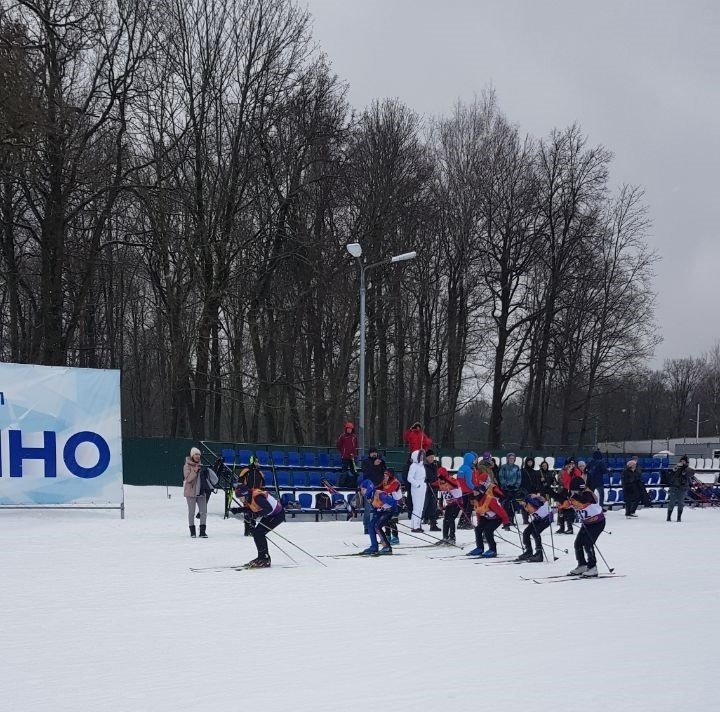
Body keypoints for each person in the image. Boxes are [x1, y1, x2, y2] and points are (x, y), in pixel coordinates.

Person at [231, 484, 285, 567]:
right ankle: (262, 557)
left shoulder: (257, 497)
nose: (240, 500)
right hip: (269, 515)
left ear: (245, 494)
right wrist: (238, 510)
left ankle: (265, 559)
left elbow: (268, 508)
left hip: (277, 515)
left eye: (241, 497)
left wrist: (255, 515)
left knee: (259, 533)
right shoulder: (249, 497)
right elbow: (251, 508)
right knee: (257, 533)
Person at [567, 485, 606, 577]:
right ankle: (582, 565)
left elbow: (589, 498)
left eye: (575, 503)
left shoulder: (588, 498)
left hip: (598, 523)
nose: (574, 505)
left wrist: (584, 490)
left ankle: (592, 567)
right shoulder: (575, 500)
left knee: (588, 543)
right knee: (578, 543)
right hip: (587, 523)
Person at [466, 482, 510, 558]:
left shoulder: (490, 500)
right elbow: (478, 512)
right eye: (474, 492)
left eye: (476, 492)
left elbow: (502, 512)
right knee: (478, 529)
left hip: (496, 518)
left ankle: (493, 550)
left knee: (488, 531)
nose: (474, 494)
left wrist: (506, 523)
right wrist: (479, 523)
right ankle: (480, 548)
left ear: (481, 493)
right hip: (486, 517)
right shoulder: (476, 500)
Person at [358, 479, 395, 555]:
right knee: (371, 525)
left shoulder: (380, 494)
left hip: (389, 512)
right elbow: (375, 508)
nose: (361, 491)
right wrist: (376, 515)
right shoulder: (369, 497)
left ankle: (387, 547)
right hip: (380, 512)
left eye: (363, 489)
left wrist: (394, 516)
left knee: (377, 526)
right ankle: (374, 546)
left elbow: (393, 502)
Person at [517, 493, 552, 562]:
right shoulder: (525, 503)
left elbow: (538, 504)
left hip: (547, 517)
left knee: (535, 532)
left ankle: (539, 554)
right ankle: (528, 551)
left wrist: (537, 497)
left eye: (520, 501)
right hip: (538, 518)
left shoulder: (530, 499)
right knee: (526, 532)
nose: (520, 503)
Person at [183, 447, 208, 538]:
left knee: (203, 512)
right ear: (192, 455)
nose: (197, 456)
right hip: (191, 493)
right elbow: (188, 479)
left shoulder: (202, 465)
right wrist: (195, 470)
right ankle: (192, 531)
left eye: (199, 454)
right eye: (196, 454)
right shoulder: (187, 466)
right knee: (192, 512)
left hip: (201, 492)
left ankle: (202, 531)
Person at [361, 447, 386, 534]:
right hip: (368, 487)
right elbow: (365, 472)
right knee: (368, 508)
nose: (374, 454)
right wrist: (374, 465)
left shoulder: (381, 462)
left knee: (378, 508)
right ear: (369, 454)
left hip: (379, 487)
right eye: (372, 452)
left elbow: (384, 473)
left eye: (375, 452)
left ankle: (376, 526)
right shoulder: (366, 462)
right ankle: (366, 527)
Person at [437, 468, 463, 545]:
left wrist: (447, 480)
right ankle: (445, 537)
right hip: (449, 504)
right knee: (445, 520)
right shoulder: (440, 482)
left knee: (451, 519)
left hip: (457, 503)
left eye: (440, 476)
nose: (440, 479)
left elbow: (456, 485)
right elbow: (441, 492)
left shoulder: (452, 480)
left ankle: (452, 538)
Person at [667, 455, 694, 522]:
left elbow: (691, 473)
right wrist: (675, 468)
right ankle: (668, 517)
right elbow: (671, 475)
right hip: (674, 487)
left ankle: (679, 517)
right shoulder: (676, 468)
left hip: (682, 488)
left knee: (680, 503)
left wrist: (685, 467)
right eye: (681, 461)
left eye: (684, 461)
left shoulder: (688, 469)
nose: (682, 462)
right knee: (671, 502)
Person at [498, 453, 521, 527]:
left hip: (514, 489)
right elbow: (501, 477)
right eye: (510, 458)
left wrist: (516, 486)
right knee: (506, 504)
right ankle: (505, 520)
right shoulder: (503, 467)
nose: (511, 459)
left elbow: (519, 478)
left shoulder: (517, 467)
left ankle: (511, 519)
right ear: (507, 459)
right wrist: (506, 485)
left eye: (513, 458)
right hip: (505, 489)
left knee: (513, 505)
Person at [406, 449, 427, 532]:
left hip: (423, 486)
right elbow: (409, 478)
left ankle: (418, 524)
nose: (422, 457)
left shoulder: (422, 466)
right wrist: (417, 484)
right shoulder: (413, 466)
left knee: (421, 507)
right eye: (420, 455)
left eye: (422, 455)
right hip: (416, 488)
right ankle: (415, 526)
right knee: (417, 507)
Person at [381, 470, 403, 544]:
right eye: (384, 475)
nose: (385, 477)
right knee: (385, 520)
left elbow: (389, 490)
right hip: (388, 504)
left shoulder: (395, 482)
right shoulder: (384, 482)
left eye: (386, 476)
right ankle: (387, 536)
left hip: (397, 504)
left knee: (392, 520)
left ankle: (395, 537)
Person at [423, 449, 441, 531]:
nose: (432, 459)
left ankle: (433, 524)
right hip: (427, 488)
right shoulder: (424, 466)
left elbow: (436, 475)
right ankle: (422, 520)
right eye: (430, 457)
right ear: (426, 457)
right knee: (425, 505)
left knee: (433, 506)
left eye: (433, 457)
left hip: (434, 487)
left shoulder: (434, 465)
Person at [336, 422, 359, 488]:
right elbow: (338, 445)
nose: (349, 430)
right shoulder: (342, 436)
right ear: (346, 429)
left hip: (352, 457)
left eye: (350, 429)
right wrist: (343, 452)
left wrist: (355, 454)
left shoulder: (354, 437)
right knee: (344, 471)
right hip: (345, 457)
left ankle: (354, 484)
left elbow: (356, 445)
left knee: (354, 471)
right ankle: (342, 484)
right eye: (348, 428)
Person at [520, 457, 542, 524]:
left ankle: (534, 517)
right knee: (525, 504)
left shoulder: (534, 471)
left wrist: (537, 490)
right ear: (526, 462)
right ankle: (525, 519)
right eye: (528, 462)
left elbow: (536, 481)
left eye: (531, 462)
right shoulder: (522, 471)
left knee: (533, 503)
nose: (530, 463)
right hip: (524, 489)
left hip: (533, 489)